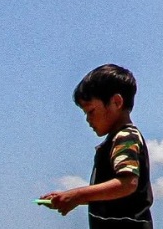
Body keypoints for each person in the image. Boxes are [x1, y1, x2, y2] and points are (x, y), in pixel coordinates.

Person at [41, 64, 153, 228]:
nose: (88, 119)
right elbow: (115, 198)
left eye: (91, 111)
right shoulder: (113, 142)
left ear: (116, 102)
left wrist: (77, 195)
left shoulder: (126, 137)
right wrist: (69, 198)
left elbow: (127, 184)